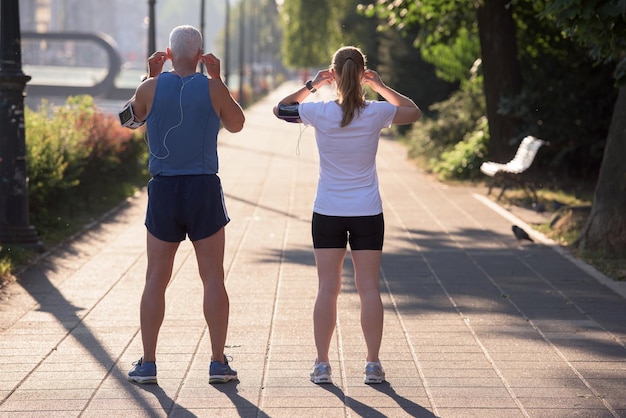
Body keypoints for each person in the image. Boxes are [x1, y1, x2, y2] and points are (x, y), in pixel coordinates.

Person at [273, 46, 421, 384]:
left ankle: (322, 365)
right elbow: (413, 112)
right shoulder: (376, 112)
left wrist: (312, 85)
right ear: (364, 74)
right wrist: (381, 87)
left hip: (327, 211)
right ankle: (372, 365)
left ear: (334, 74)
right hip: (367, 211)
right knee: (369, 288)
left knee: (328, 288)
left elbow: (280, 109)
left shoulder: (321, 111)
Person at [121, 25, 245, 384]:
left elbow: (128, 121)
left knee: (155, 279)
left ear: (170, 54)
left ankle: (148, 363)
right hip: (203, 188)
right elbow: (236, 124)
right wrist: (219, 79)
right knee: (213, 278)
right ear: (202, 55)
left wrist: (150, 77)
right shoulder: (212, 87)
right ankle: (218, 362)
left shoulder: (150, 86)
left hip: (164, 190)